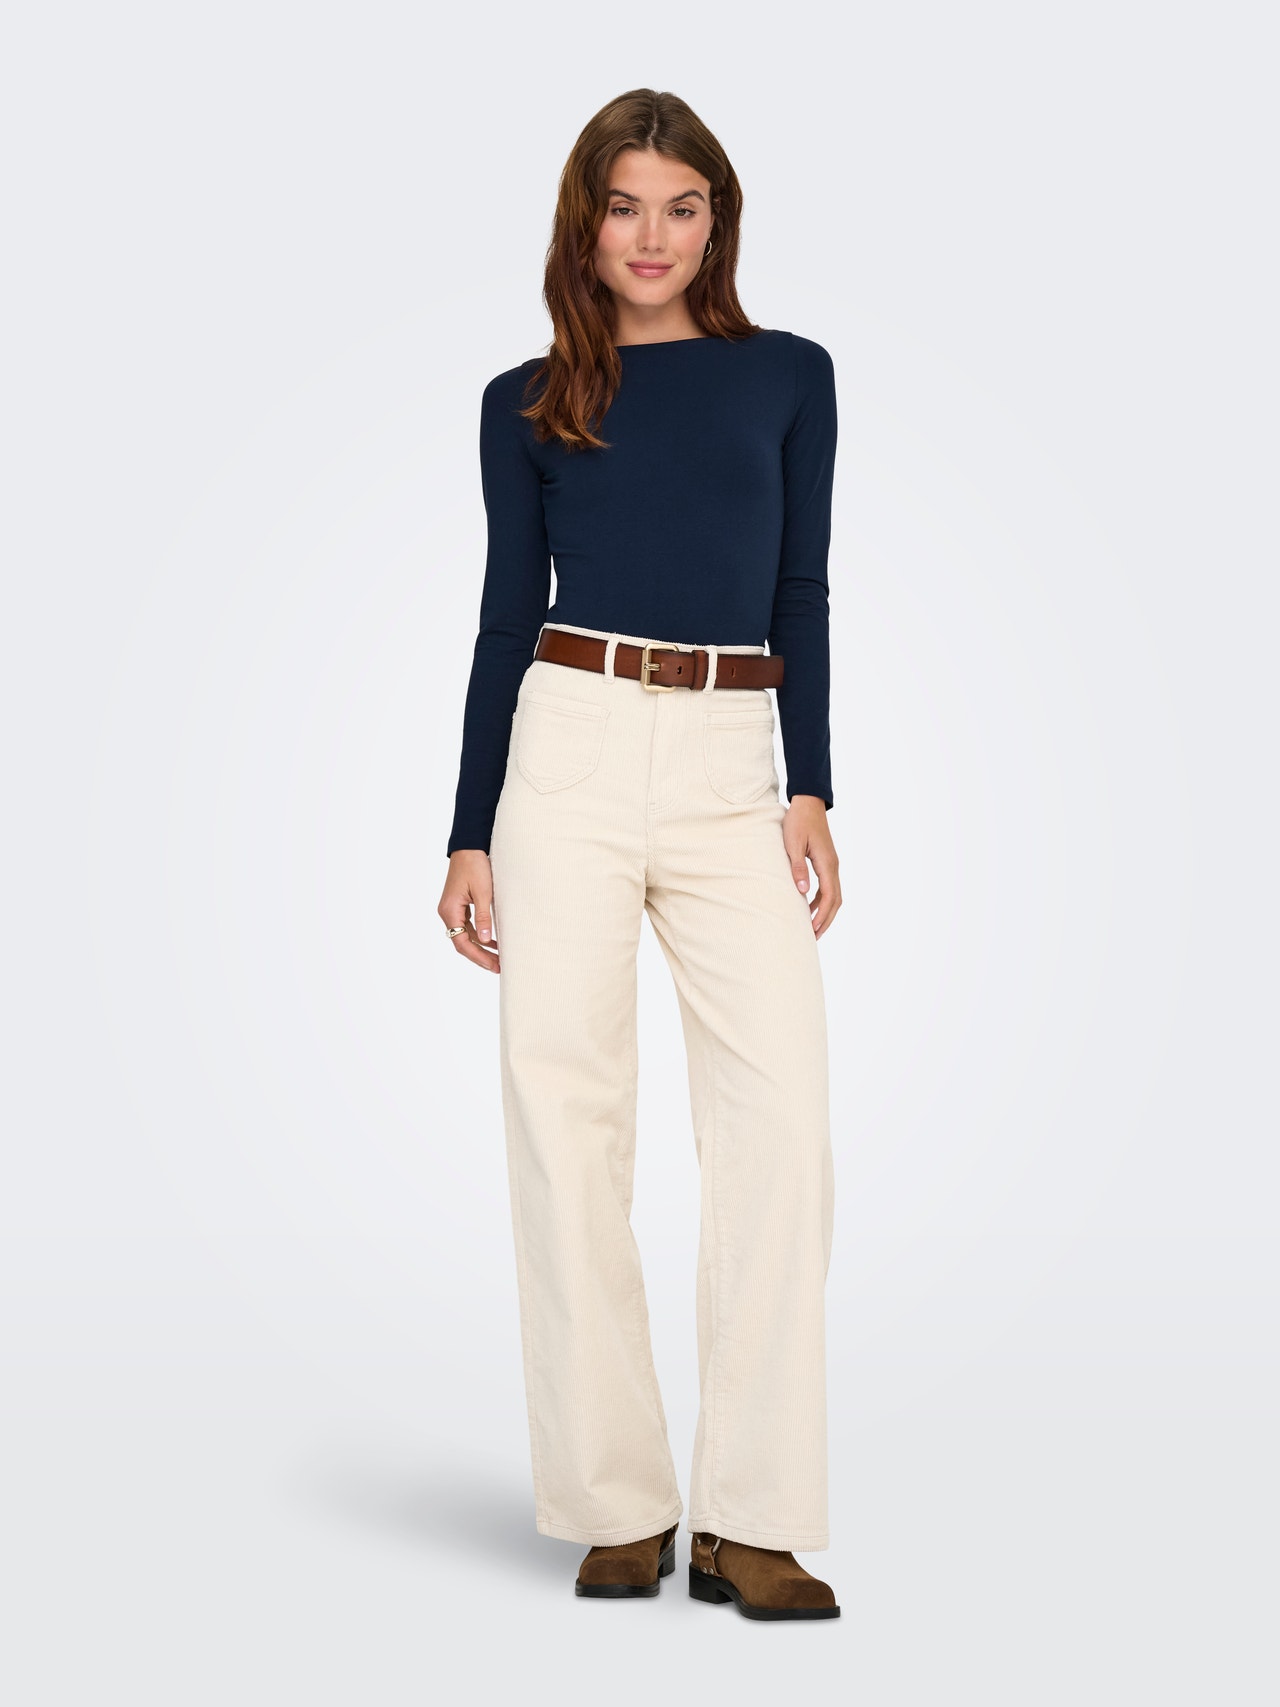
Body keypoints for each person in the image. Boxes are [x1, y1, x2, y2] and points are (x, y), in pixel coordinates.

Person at [437, 87, 842, 1621]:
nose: (653, 236)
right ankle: (618, 1500)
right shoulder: (527, 398)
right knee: (566, 1111)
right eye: (625, 208)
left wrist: (814, 786)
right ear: (586, 223)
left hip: (735, 754)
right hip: (571, 746)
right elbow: (503, 616)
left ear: (716, 221)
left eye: (682, 207)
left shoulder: (789, 376)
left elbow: (800, 587)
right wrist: (468, 829)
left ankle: (754, 1515)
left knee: (781, 1119)